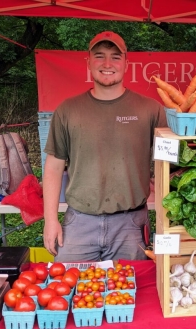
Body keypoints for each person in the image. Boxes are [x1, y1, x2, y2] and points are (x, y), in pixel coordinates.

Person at [42, 31, 168, 262]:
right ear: (89, 62)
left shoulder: (151, 110)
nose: (107, 64)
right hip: (79, 223)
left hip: (131, 225)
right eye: (99, 56)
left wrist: (165, 220)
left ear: (126, 64)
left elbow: (166, 166)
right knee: (72, 292)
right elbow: (53, 167)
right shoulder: (68, 110)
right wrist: (50, 220)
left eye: (115, 57)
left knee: (132, 294)